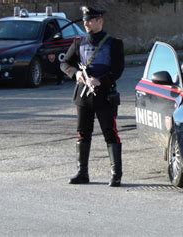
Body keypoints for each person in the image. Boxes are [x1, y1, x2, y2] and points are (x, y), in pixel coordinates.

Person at [60, 6, 125, 187]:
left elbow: (118, 69)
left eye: (90, 20)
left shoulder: (114, 43)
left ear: (99, 21)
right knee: (82, 133)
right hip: (83, 96)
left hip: (104, 95)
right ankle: (82, 173)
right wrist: (76, 74)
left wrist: (101, 80)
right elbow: (65, 63)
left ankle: (116, 174)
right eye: (85, 20)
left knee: (110, 134)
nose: (86, 23)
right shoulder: (79, 42)